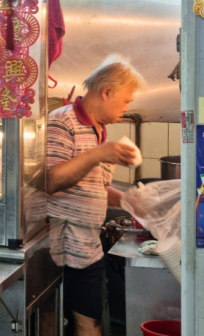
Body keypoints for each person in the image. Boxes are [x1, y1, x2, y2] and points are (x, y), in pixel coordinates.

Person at [46, 54, 145, 336]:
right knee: (73, 324)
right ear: (107, 92)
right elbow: (51, 180)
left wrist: (130, 200)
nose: (126, 108)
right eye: (126, 100)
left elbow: (94, 186)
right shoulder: (61, 122)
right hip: (61, 248)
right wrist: (100, 153)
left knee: (91, 323)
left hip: (86, 246)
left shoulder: (98, 130)